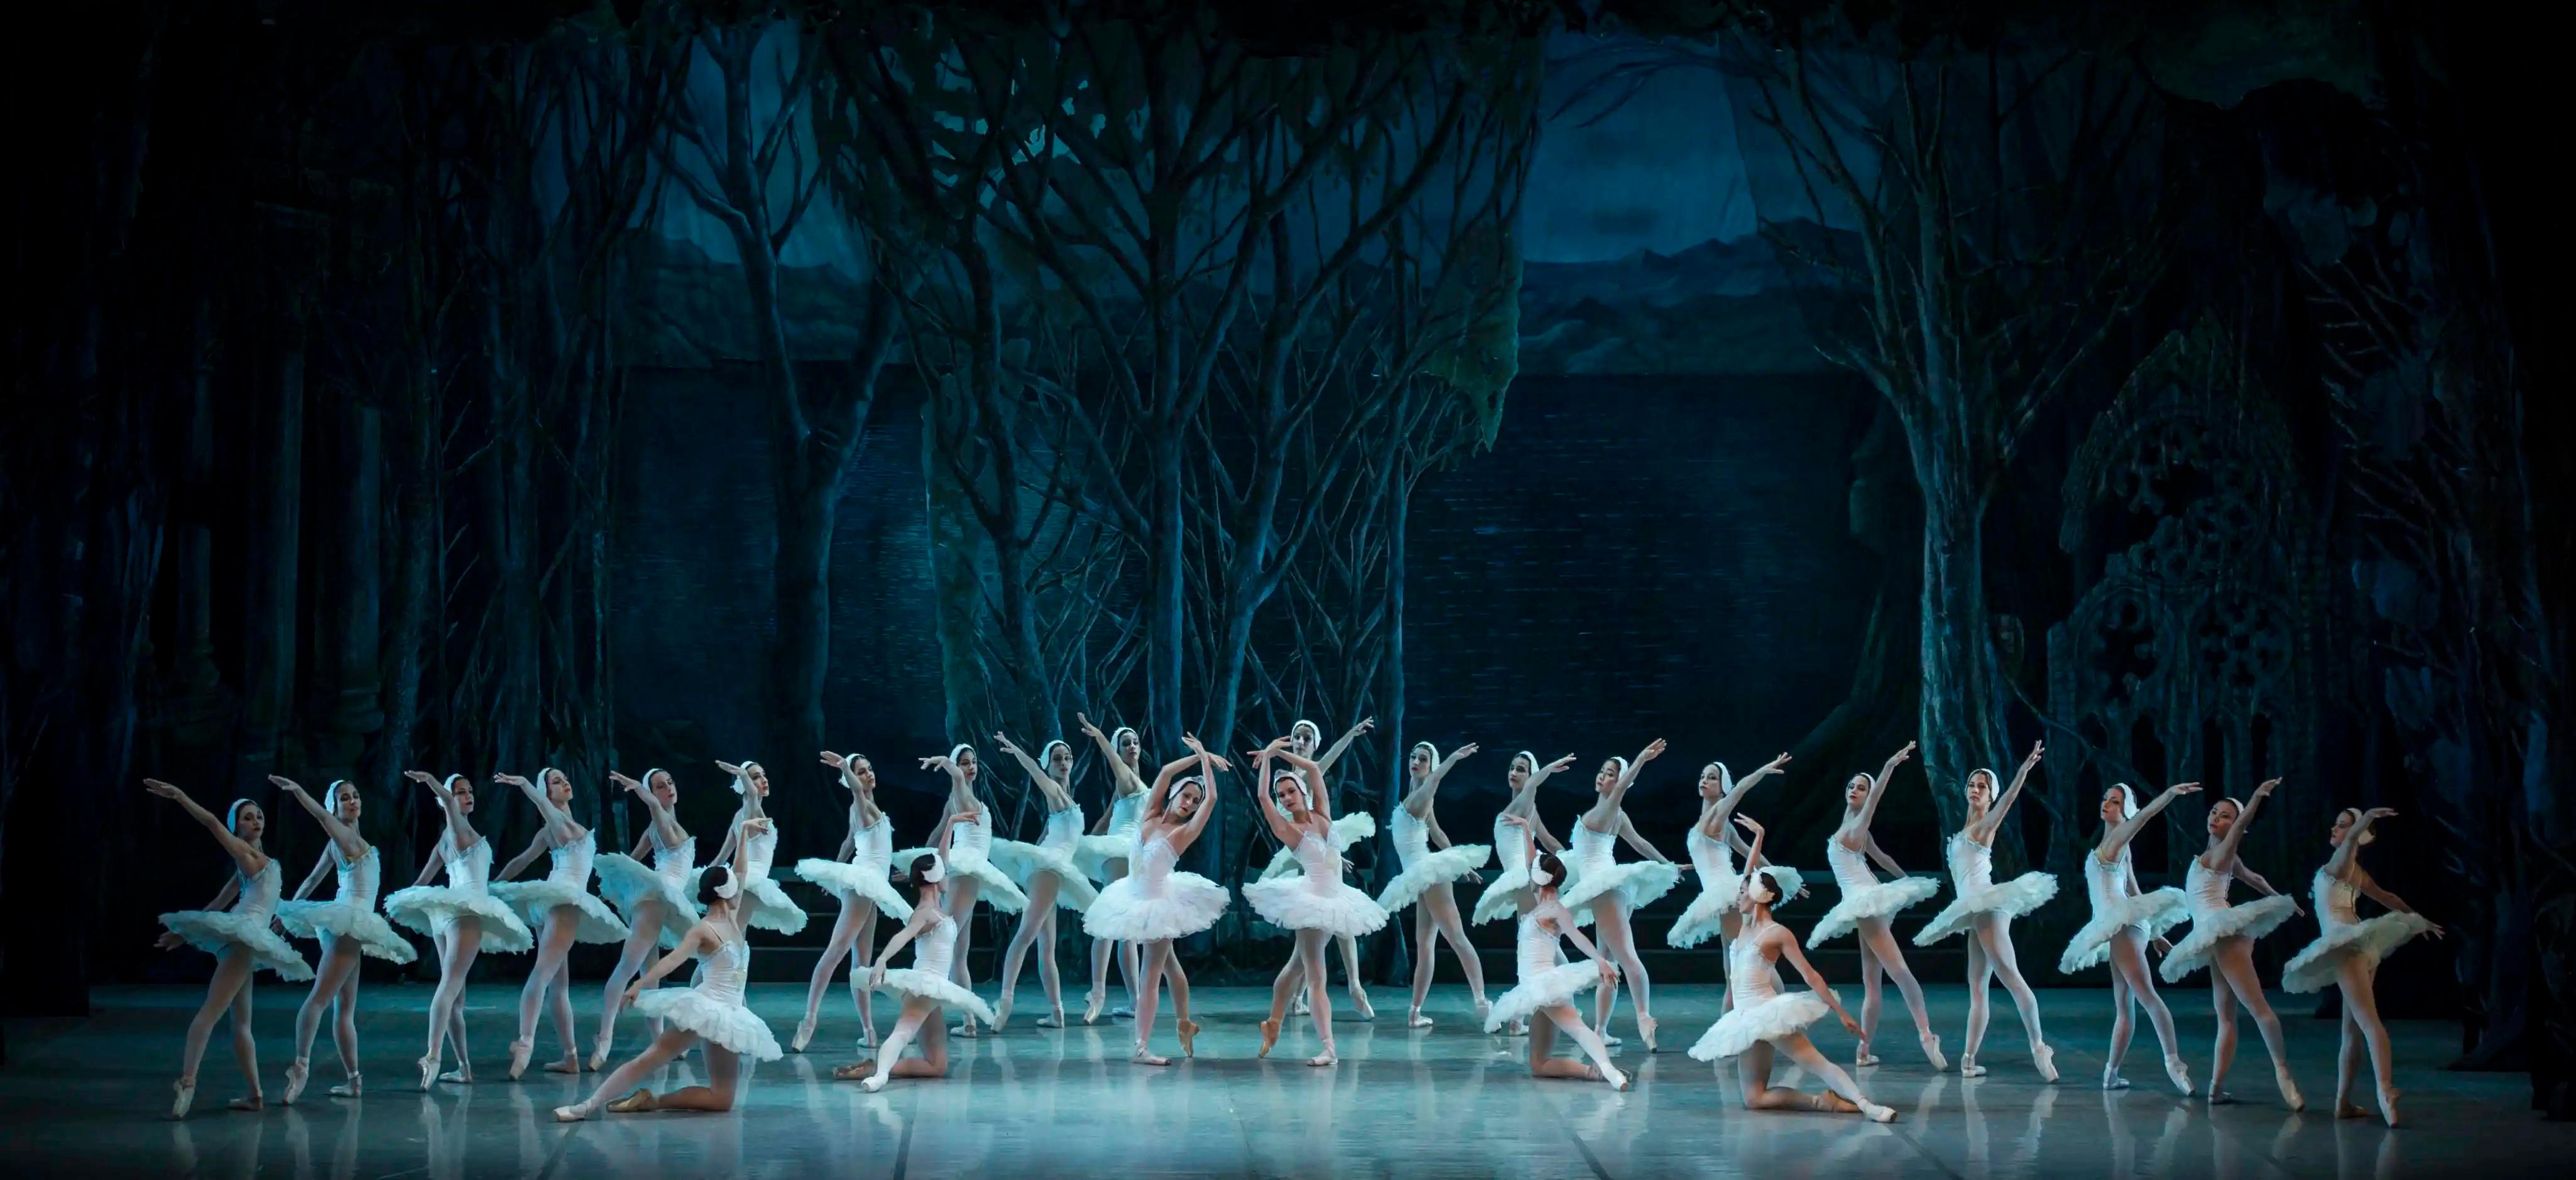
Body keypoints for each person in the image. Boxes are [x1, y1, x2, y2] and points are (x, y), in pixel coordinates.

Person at [554, 822, 782, 1121]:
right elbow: (673, 960)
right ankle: (586, 1106)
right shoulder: (704, 929)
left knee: (722, 1099)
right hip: (707, 1007)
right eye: (732, 883)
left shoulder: (733, 914)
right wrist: (640, 984)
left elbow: (741, 870)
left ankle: (651, 1101)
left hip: (731, 1014)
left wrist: (743, 834)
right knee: (651, 1059)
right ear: (724, 892)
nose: (739, 882)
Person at [1689, 816, 1896, 1123]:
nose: (1738, 895)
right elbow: (1749, 872)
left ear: (1758, 896)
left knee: (1816, 1063)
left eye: (1743, 892)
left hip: (1767, 1013)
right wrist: (1759, 836)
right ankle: (1822, 1102)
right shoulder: (1745, 925)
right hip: (1745, 1019)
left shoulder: (1777, 933)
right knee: (1754, 1099)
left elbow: (1810, 975)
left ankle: (1868, 1106)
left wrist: (1840, 1012)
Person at [146, 780, 314, 1118]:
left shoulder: (260, 862)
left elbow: (222, 902)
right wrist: (180, 795)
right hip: (242, 940)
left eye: (259, 816)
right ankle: (189, 1084)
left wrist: (183, 935)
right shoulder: (247, 856)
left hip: (246, 940)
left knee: (237, 1022)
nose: (255, 821)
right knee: (216, 1015)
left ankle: (252, 1094)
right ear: (236, 827)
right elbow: (211, 823)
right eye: (247, 818)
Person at [2281, 807, 2441, 1125]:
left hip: (2347, 945)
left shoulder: (2340, 864)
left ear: (2356, 836)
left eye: (2342, 826)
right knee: (2352, 1029)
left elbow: (2384, 890)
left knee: (2367, 1023)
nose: (2334, 829)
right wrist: (2418, 920)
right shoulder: (2355, 871)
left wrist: (2365, 820)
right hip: (2359, 945)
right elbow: (2388, 897)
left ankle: (2385, 1089)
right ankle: (2343, 1103)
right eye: (2336, 824)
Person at [1910, 743, 2060, 1080]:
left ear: (1990, 796)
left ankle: (2039, 1048)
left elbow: (2007, 804)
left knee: (2012, 979)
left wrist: (2022, 772)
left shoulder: (1983, 827)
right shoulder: (1963, 831)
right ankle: (1968, 1060)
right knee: (1977, 988)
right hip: (1974, 911)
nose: (1976, 790)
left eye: (1983, 786)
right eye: (1973, 784)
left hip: (1988, 909)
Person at [1079, 739, 1233, 1064]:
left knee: (1150, 973)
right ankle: (1185, 1024)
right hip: (1131, 895)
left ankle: (1141, 1047)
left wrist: (1206, 765)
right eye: (1186, 796)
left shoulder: (1182, 833)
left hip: (1159, 904)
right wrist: (1199, 755)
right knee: (1170, 966)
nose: (1189, 803)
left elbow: (1212, 799)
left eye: (1194, 801)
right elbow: (1164, 772)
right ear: (1173, 794)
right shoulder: (1149, 815)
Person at [2159, 777, 2305, 1110]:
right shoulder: (2212, 856)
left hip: (2224, 934)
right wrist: (2281, 898)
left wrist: (2256, 797)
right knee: (2225, 1016)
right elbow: (2256, 878)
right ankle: (2216, 1088)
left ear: (2237, 825)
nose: (2216, 818)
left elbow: (2240, 833)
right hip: (2212, 935)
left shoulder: (2225, 852)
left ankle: (2284, 1074)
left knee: (2257, 1008)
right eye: (2214, 812)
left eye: (2226, 816)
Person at [384, 771, 533, 1089]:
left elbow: (422, 881)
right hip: (464, 913)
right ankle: (433, 1056)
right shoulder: (456, 828)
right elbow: (448, 807)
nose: (467, 796)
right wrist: (432, 781)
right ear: (446, 802)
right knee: (450, 987)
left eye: (469, 791)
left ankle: (464, 1068)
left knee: (456, 997)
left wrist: (403, 901)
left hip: (446, 914)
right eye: (459, 793)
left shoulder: (445, 840)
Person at [271, 776, 417, 1103]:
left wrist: (287, 913)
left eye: (355, 795)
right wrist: (299, 791)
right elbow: (321, 819)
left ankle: (354, 1080)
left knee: (345, 1007)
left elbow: (312, 879)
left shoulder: (346, 841)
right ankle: (301, 1068)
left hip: (351, 923)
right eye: (344, 798)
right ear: (334, 807)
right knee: (320, 999)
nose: (352, 801)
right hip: (348, 924)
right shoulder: (343, 837)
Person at [1247, 739, 1391, 1066]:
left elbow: (1312, 768)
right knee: (1316, 976)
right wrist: (1267, 760)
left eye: (1290, 791)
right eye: (1282, 795)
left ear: (1303, 791)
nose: (1286, 798)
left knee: (1295, 968)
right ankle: (1329, 1047)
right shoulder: (1288, 829)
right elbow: (1263, 797)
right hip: (1311, 903)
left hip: (1336, 897)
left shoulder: (1322, 814)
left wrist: (1277, 752)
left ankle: (1273, 1023)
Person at [1808, 742, 1946, 1069]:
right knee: (1871, 982)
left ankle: (1926, 1034)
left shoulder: (1859, 826)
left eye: (1861, 788)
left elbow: (1876, 801)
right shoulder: (1851, 827)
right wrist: (1906, 880)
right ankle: (1864, 1050)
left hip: (1867, 902)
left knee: (1899, 971)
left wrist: (1888, 767)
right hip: (1863, 903)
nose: (1854, 790)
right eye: (1852, 785)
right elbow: (1882, 859)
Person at [2057, 781, 2199, 1094]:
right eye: (2106, 798)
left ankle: (2174, 1064)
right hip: (2121, 924)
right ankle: (2111, 1074)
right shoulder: (2115, 845)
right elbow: (2134, 891)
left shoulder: (2120, 838)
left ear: (2126, 811)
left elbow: (2144, 817)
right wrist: (2156, 933)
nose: (2107, 804)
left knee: (2146, 996)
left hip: (2122, 926)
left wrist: (2168, 795)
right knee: (2125, 1004)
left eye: (2116, 802)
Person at [490, 768, 631, 1079]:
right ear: (546, 792)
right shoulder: (559, 823)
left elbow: (522, 860)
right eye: (556, 781)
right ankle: (525, 1044)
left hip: (549, 901)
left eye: (565, 778)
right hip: (563, 901)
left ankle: (570, 1057)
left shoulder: (551, 830)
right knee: (543, 974)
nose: (565, 782)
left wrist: (495, 884)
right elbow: (541, 811)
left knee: (558, 983)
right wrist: (525, 784)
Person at [836, 843, 1008, 1091]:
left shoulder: (939, 908)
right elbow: (903, 936)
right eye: (944, 874)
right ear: (935, 878)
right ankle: (879, 1076)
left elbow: (941, 860)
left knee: (936, 1066)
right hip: (925, 985)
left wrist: (951, 824)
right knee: (903, 1033)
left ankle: (874, 1068)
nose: (948, 876)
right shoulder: (925, 912)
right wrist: (882, 960)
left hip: (935, 989)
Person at [1481, 814, 1627, 1089]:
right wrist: (1527, 829)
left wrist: (1600, 961)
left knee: (1578, 1029)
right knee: (1539, 1065)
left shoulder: (1555, 910)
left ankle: (1610, 1071)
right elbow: (1532, 862)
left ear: (1537, 879)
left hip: (1543, 985)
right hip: (1538, 990)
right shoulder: (1542, 903)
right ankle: (1594, 1072)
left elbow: (1577, 937)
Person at [1555, 740, 1679, 1051]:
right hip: (1612, 889)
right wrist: (1667, 864)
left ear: (1621, 781)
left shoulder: (1610, 809)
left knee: (1625, 957)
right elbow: (1640, 844)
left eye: (1611, 774)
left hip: (1606, 889)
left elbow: (1623, 792)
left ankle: (1644, 1017)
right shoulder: (1615, 814)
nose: (1603, 776)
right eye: (1602, 771)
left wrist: (1640, 760)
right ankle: (1600, 1031)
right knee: (1608, 963)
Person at [899, 745, 1029, 1035]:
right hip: (960, 870)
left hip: (967, 872)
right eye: (964, 763)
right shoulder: (958, 797)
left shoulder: (966, 797)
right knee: (954, 949)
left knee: (946, 944)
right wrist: (916, 866)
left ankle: (930, 1015)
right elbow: (938, 834)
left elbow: (956, 784)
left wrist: (947, 762)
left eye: (974, 762)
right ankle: (966, 1021)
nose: (970, 768)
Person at [789, 751, 912, 1054]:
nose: (868, 775)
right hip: (862, 884)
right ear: (851, 780)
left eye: (869, 769)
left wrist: (835, 871)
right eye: (861, 772)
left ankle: (869, 1032)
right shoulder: (860, 803)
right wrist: (845, 768)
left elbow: (848, 841)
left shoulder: (867, 807)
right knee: (836, 952)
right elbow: (857, 793)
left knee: (862, 964)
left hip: (872, 886)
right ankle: (809, 1021)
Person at [1260, 716, 1381, 1020]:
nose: (1301, 742)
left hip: (1319, 844)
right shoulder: (1286, 781)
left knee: (1334, 922)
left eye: (1307, 738)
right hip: (1301, 850)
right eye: (1297, 737)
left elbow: (1324, 763)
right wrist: (1272, 754)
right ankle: (1327, 991)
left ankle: (1341, 989)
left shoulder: (1309, 773)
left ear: (1315, 745)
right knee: (1322, 925)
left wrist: (1350, 735)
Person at [987, 733, 1102, 1029]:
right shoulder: (1055, 793)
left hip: (1050, 870)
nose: (1064, 763)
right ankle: (1005, 1004)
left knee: (1046, 945)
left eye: (1067, 758)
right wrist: (1017, 750)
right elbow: (1036, 774)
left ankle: (1056, 1012)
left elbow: (1043, 840)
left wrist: (1030, 869)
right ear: (1047, 766)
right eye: (1057, 759)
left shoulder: (1067, 803)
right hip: (1048, 870)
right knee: (1027, 934)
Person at [1375, 741, 1493, 1028]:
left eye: (1423, 759)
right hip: (1420, 876)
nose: (1416, 762)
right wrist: (1462, 865)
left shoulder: (1425, 793)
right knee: (1425, 945)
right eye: (1413, 757)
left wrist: (1453, 758)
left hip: (1429, 874)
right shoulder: (1415, 796)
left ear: (1431, 767)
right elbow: (1438, 833)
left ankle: (1483, 1003)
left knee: (1456, 938)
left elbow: (1436, 780)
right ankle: (1415, 1012)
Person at [591, 768, 702, 1068]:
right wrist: (640, 790)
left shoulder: (659, 827)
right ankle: (604, 1039)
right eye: (659, 786)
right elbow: (654, 808)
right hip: (654, 901)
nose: (668, 788)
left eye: (670, 782)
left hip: (658, 901)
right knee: (628, 969)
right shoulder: (660, 821)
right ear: (651, 793)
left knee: (650, 976)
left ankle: (660, 1044)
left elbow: (632, 860)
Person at [1667, 755, 1801, 970]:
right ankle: (1734, 993)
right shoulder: (1721, 825)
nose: (1704, 780)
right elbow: (1749, 853)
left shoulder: (1718, 816)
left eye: (1712, 778)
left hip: (1725, 894)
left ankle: (1768, 992)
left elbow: (1740, 789)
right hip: (1719, 895)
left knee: (1746, 958)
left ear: (1723, 787)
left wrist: (1762, 771)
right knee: (1732, 959)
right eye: (1703, 776)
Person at [1071, 716, 1149, 1022]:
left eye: (1135, 742)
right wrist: (1102, 738)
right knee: (1108, 923)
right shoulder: (1126, 779)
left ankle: (1135, 1002)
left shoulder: (1130, 785)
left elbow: (1106, 820)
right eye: (1125, 743)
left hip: (1131, 855)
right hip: (1118, 854)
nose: (1132, 747)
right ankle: (1098, 993)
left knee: (1127, 932)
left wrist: (1088, 842)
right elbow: (1113, 760)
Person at [704, 760, 810, 936]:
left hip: (741, 879)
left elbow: (721, 858)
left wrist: (705, 880)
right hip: (750, 881)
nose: (764, 780)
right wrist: (743, 775)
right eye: (756, 777)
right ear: (744, 785)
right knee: (733, 934)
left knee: (734, 932)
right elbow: (753, 795)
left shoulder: (740, 815)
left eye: (764, 775)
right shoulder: (753, 811)